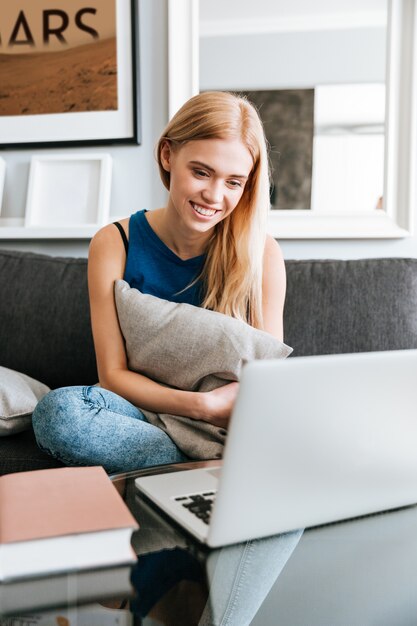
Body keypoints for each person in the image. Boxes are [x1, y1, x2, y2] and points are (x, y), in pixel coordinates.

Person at [32, 90, 287, 474]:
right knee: (59, 413)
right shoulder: (114, 242)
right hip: (137, 415)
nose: (214, 196)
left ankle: (184, 479)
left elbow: (268, 383)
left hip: (221, 429)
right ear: (168, 155)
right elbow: (112, 375)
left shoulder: (262, 254)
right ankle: (201, 474)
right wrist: (200, 406)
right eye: (201, 172)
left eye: (234, 182)